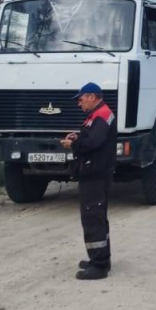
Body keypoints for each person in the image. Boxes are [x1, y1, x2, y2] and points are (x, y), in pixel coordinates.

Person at [61, 82, 117, 280]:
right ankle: (100, 258)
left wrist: (73, 143)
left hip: (95, 174)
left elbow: (94, 143)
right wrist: (78, 136)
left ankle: (99, 266)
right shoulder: (97, 115)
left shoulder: (101, 115)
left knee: (93, 218)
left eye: (81, 98)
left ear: (92, 96)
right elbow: (92, 137)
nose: (79, 103)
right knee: (97, 217)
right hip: (94, 173)